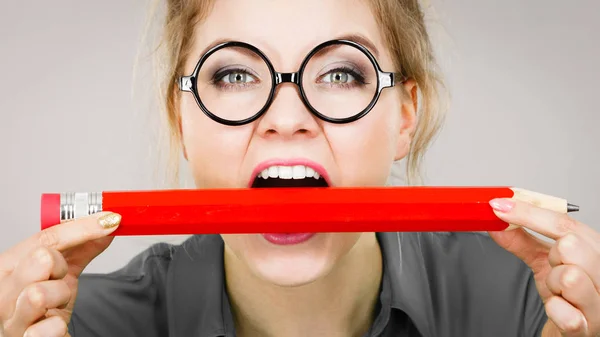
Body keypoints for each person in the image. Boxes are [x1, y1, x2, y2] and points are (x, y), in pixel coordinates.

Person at [1, 0, 598, 336]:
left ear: (405, 116)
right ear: (181, 119)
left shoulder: (529, 308)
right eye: (234, 75)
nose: (287, 118)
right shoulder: (82, 327)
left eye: (341, 74)